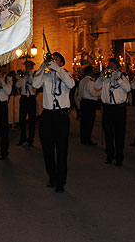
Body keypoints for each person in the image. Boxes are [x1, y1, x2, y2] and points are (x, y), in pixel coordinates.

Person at [33, 52, 75, 193]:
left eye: (56, 60)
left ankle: (61, 182)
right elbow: (35, 83)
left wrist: (58, 69)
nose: (53, 61)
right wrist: (42, 66)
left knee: (62, 150)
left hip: (61, 116)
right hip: (47, 116)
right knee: (47, 149)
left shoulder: (66, 74)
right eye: (52, 60)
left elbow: (71, 84)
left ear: (61, 62)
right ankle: (52, 176)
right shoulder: (45, 76)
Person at [95, 58, 131, 166]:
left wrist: (118, 79)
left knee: (119, 133)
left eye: (112, 65)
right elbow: (96, 87)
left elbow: (128, 88)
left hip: (119, 108)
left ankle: (119, 157)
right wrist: (101, 78)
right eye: (109, 65)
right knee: (108, 133)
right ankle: (109, 155)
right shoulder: (105, 77)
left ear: (117, 66)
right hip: (107, 108)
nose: (110, 67)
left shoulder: (123, 75)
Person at [16, 60, 37, 147]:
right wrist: (23, 78)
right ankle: (22, 137)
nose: (27, 68)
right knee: (22, 119)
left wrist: (30, 76)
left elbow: (35, 85)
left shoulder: (35, 75)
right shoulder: (22, 76)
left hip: (31, 98)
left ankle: (30, 139)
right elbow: (17, 85)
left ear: (32, 67)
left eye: (29, 66)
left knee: (32, 119)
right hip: (24, 97)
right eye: (26, 66)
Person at [78, 65, 100, 145]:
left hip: (83, 102)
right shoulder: (90, 81)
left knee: (83, 122)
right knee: (89, 122)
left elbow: (80, 93)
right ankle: (87, 139)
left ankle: (83, 138)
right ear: (90, 72)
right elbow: (93, 92)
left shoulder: (82, 80)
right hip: (90, 103)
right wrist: (100, 93)